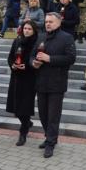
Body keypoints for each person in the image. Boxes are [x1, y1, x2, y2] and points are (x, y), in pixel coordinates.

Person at [31, 12, 76, 158]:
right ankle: (49, 137)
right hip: (41, 82)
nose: (47, 24)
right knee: (43, 114)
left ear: (59, 22)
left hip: (57, 83)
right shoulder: (41, 36)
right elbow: (32, 55)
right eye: (46, 22)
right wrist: (33, 63)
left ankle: (50, 143)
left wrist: (49, 58)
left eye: (51, 21)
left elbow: (71, 58)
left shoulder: (67, 37)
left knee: (53, 116)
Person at [6, 21, 39, 146]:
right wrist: (13, 65)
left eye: (29, 29)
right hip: (16, 77)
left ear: (34, 30)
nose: (26, 31)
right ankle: (27, 123)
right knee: (15, 107)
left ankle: (23, 133)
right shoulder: (17, 40)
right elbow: (10, 57)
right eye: (25, 28)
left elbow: (37, 60)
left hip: (29, 79)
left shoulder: (37, 42)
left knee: (24, 108)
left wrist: (28, 67)